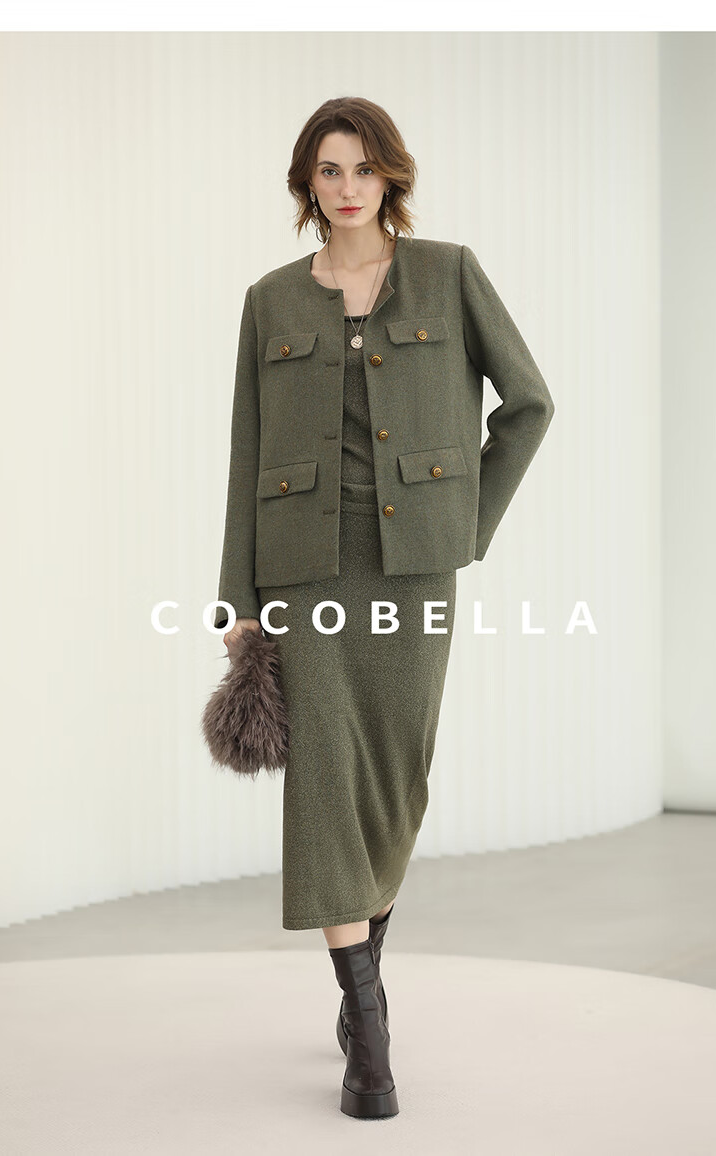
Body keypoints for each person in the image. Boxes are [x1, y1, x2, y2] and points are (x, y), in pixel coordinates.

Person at [215, 96, 555, 1119]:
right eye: (329, 170)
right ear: (307, 185)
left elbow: (529, 403)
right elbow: (245, 453)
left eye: (363, 168)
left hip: (413, 569)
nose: (347, 186)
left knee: (396, 781)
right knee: (326, 782)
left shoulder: (448, 273)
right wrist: (237, 601)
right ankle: (368, 1037)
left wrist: (466, 525)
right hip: (304, 570)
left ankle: (357, 982)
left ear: (390, 176)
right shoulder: (271, 300)